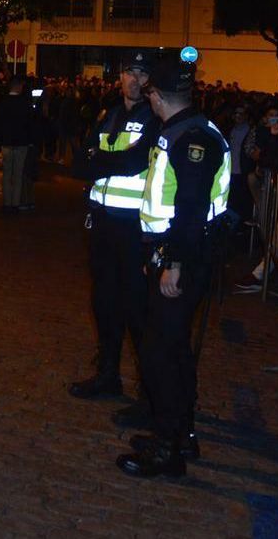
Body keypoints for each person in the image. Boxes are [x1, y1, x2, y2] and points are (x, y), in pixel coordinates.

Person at [112, 49, 230, 478]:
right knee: (172, 350)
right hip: (174, 255)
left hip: (183, 259)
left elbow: (192, 209)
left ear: (156, 95)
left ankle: (168, 449)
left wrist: (174, 264)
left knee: (162, 354)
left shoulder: (192, 139)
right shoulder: (185, 130)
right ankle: (179, 433)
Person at [70, 51, 158, 400]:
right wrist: (104, 162)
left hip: (135, 227)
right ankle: (107, 374)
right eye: (129, 72)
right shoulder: (109, 114)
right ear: (119, 76)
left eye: (142, 73)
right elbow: (82, 160)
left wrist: (99, 161)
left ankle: (148, 390)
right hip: (103, 224)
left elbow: (136, 162)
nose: (135, 80)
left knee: (137, 309)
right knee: (104, 303)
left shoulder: (155, 116)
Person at [0, 76, 36, 214]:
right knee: (18, 174)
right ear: (19, 87)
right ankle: (15, 203)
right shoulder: (24, 103)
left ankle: (7, 203)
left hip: (7, 142)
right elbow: (30, 123)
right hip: (21, 142)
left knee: (7, 173)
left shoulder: (2, 102)